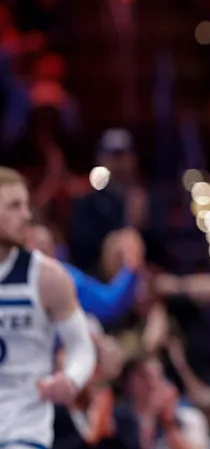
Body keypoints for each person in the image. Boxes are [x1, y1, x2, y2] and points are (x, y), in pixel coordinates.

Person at [0, 166, 96, 446]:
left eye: (26, 205)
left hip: (23, 427)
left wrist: (71, 379)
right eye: (14, 206)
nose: (27, 216)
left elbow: (81, 345)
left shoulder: (47, 278)